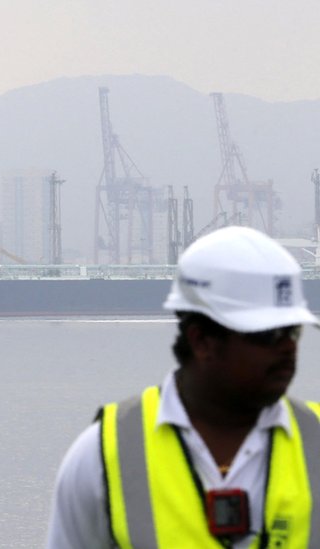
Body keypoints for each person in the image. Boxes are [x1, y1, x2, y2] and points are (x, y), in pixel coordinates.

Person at [46, 225, 320, 548]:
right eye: (268, 334)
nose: (288, 348)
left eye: (293, 333)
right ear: (202, 341)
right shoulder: (104, 457)